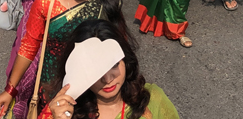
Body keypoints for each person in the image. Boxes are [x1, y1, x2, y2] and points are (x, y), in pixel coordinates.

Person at [0, 0, 127, 118]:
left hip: (93, 85)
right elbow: (28, 47)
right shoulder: (46, 3)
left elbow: (118, 52)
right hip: (51, 84)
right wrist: (10, 89)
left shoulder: (108, 6)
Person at [41, 20, 179, 119]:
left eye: (113, 65)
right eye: (96, 71)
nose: (107, 79)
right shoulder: (61, 111)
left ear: (125, 60)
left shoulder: (152, 98)